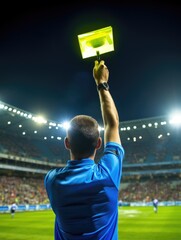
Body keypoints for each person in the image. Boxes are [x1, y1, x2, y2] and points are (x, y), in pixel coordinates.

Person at [44, 60, 125, 240]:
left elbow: (112, 125)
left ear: (67, 143)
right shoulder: (107, 175)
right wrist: (101, 83)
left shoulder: (52, 180)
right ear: (98, 143)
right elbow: (112, 125)